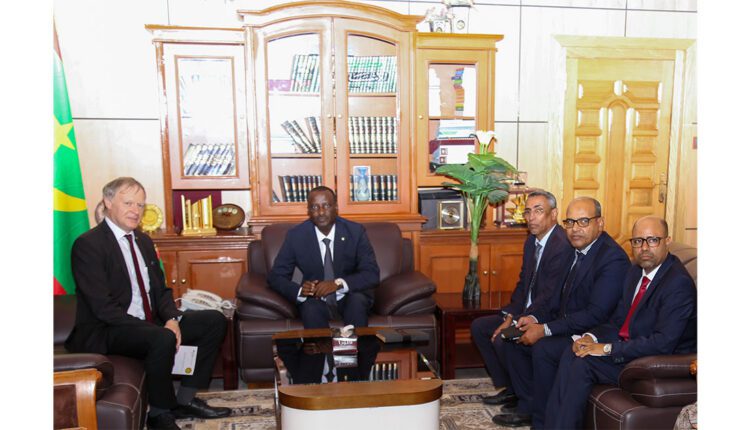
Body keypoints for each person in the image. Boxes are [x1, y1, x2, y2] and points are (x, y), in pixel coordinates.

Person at [64, 177, 231, 430]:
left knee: (214, 320)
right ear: (108, 202)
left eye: (140, 205)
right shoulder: (88, 245)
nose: (136, 210)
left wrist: (172, 319)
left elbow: (161, 291)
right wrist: (157, 329)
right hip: (108, 329)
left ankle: (185, 399)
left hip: (147, 322)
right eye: (128, 203)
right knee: (161, 337)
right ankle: (160, 414)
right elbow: (103, 307)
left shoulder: (143, 241)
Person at [545, 216, 697, 428]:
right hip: (632, 349)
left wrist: (607, 348)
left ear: (667, 241)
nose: (644, 248)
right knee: (573, 352)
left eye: (653, 240)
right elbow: (619, 320)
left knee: (583, 364)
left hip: (657, 363)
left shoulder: (678, 284)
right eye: (638, 241)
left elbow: (663, 343)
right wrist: (590, 338)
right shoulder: (635, 271)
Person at [496, 196, 630, 428]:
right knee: (513, 337)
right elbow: (555, 297)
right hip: (569, 324)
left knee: (544, 348)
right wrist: (533, 318)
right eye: (570, 222)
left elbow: (596, 314)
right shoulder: (574, 250)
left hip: (594, 332)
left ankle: (543, 422)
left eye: (583, 221)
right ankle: (530, 409)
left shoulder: (612, 258)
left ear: (600, 223)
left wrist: (545, 329)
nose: (575, 229)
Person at [470, 190, 574, 410]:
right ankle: (511, 389)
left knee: (503, 338)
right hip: (524, 311)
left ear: (554, 214)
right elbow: (523, 285)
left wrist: (515, 321)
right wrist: (509, 314)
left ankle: (527, 401)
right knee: (480, 327)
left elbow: (549, 296)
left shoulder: (562, 245)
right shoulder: (531, 242)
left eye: (538, 211)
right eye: (528, 212)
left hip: (545, 316)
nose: (531, 217)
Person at [268, 185, 380, 328]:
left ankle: (355, 344)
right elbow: (276, 276)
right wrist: (300, 291)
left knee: (357, 301)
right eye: (315, 207)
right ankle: (321, 344)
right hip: (316, 299)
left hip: (349, 296)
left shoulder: (355, 232)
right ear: (308, 211)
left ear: (336, 208)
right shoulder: (296, 236)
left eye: (326, 206)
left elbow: (371, 274)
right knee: (310, 308)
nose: (321, 212)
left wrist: (337, 284)